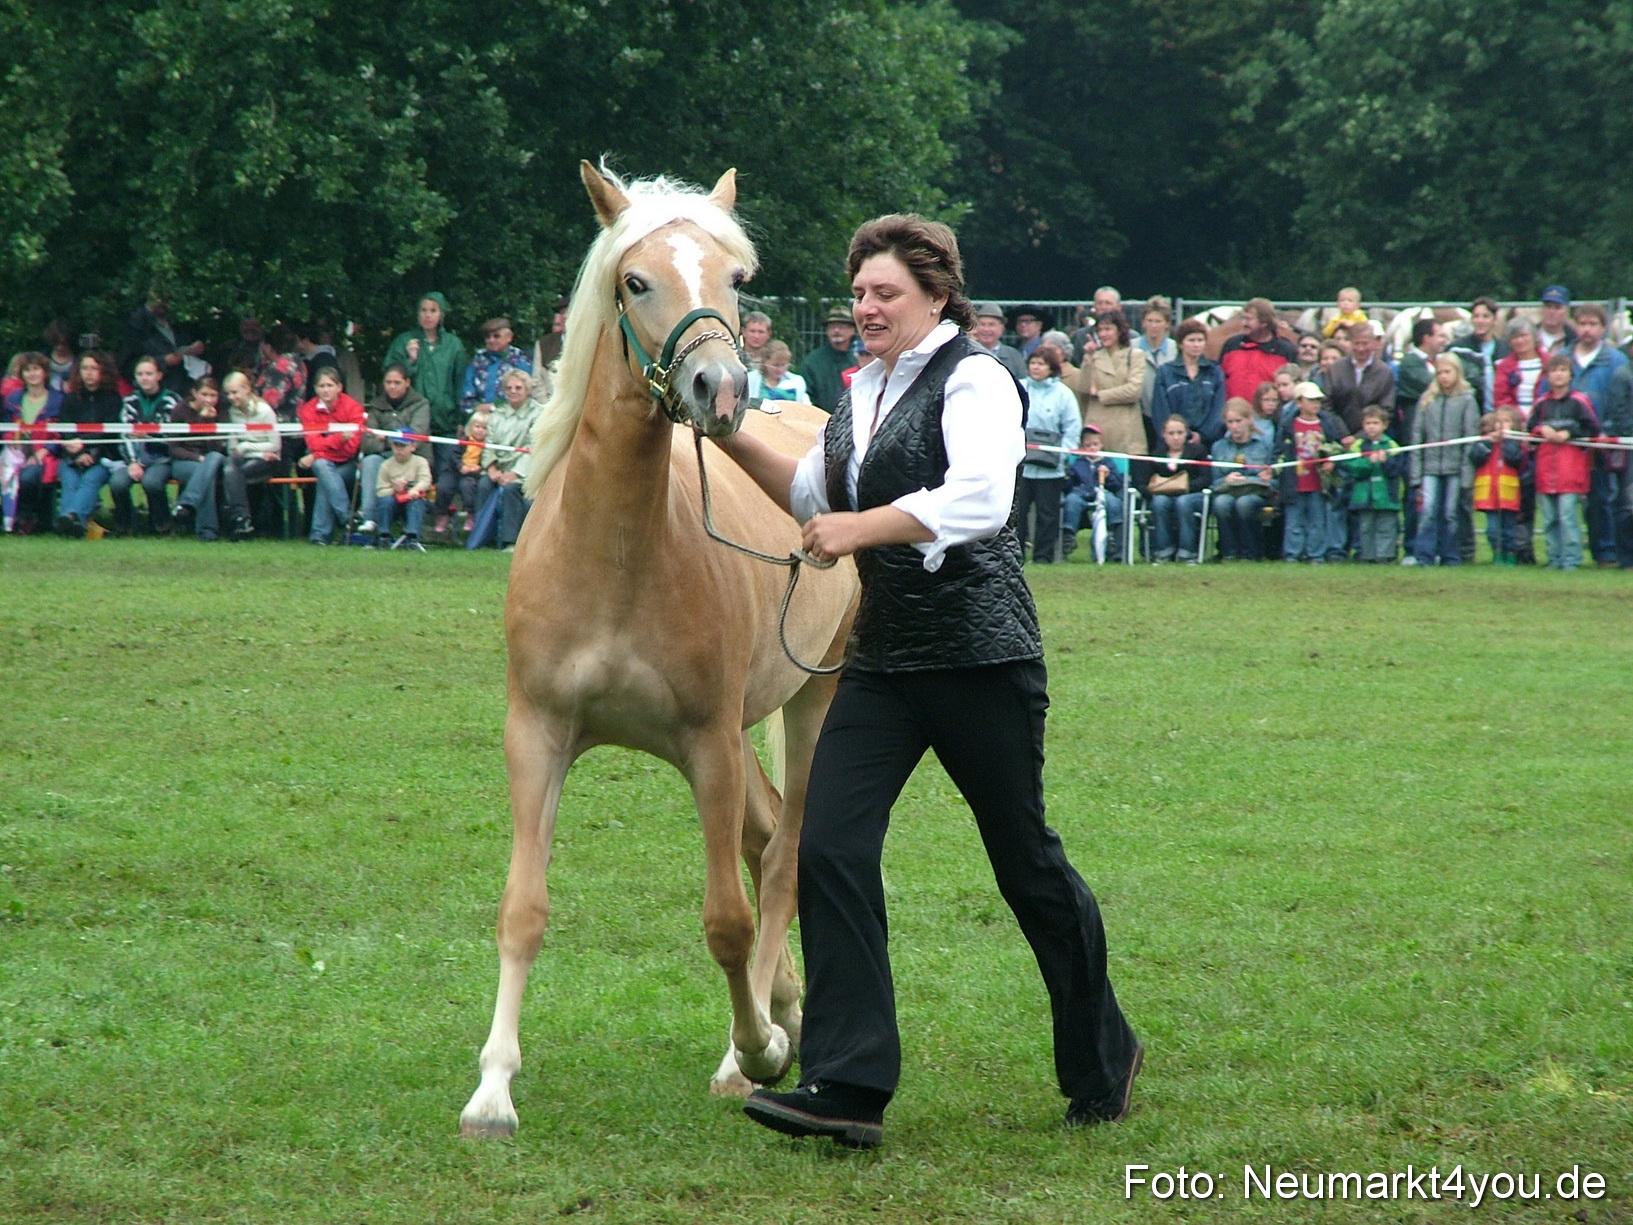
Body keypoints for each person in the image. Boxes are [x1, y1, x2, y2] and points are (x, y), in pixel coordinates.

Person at [715, 213, 1141, 1149]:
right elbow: (813, 493)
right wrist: (724, 430)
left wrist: (859, 530)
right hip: (883, 660)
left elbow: (982, 495)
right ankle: (847, 1083)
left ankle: (1103, 1055)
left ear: (937, 294)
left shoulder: (975, 376)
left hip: (980, 658)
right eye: (858, 293)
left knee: (1025, 866)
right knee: (827, 847)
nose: (865, 307)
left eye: (885, 292)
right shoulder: (863, 389)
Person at [1567, 303, 1627, 566]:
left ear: (1603, 328)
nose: (1587, 329)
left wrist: (1608, 431)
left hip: (1605, 442)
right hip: (1569, 443)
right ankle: (1567, 552)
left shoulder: (1615, 361)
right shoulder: (1563, 358)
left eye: (1593, 324)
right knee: (1567, 500)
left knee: (1605, 497)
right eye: (1582, 323)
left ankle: (1606, 551)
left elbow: (1622, 401)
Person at [1409, 354, 1480, 566]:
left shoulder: (1467, 400)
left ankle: (1451, 555)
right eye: (1439, 372)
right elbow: (1417, 437)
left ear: (1457, 373)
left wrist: (1467, 474)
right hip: (1430, 466)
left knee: (1451, 512)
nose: (1443, 377)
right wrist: (1416, 473)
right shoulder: (1427, 399)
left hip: (1456, 467)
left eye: (1447, 372)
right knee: (1428, 510)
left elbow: (1470, 438)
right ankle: (1424, 555)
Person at [1529, 354, 1597, 569]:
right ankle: (1554, 557)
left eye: (1562, 370)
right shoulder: (1541, 404)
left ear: (1570, 375)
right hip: (1546, 469)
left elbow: (1592, 428)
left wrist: (1569, 433)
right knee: (1549, 518)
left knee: (1567, 516)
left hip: (1570, 469)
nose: (1558, 375)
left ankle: (1571, 559)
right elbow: (1529, 431)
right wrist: (1541, 430)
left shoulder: (1580, 402)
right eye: (1554, 370)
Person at [382, 292, 468, 463]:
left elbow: (461, 383)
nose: (428, 315)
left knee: (446, 469)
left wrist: (461, 420)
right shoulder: (404, 341)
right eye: (423, 310)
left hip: (446, 421)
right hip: (412, 421)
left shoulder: (453, 345)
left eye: (433, 310)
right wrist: (410, 361)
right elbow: (390, 377)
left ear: (441, 314)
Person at [1015, 346, 1081, 563]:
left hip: (1051, 470)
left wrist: (1063, 455)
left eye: (1041, 364)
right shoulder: (1018, 388)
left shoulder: (1063, 394)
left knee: (1048, 515)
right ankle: (1016, 555)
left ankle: (1043, 557)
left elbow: (1072, 428)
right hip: (1022, 467)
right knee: (1017, 513)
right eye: (1033, 363)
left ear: (1051, 368)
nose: (1036, 367)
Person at [109, 355, 184, 534]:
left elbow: (174, 438)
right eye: (140, 374)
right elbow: (124, 434)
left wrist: (148, 436)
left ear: (159, 375)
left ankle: (162, 524)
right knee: (117, 483)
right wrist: (132, 462)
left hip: (163, 458)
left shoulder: (172, 400)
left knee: (152, 482)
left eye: (149, 374)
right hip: (135, 458)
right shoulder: (129, 401)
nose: (144, 378)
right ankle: (126, 524)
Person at [1275, 382, 1346, 562]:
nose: (1316, 404)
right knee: (1294, 522)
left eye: (1318, 400)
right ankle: (1293, 554)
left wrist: (1332, 462)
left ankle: (1316, 555)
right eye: (1311, 400)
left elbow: (1337, 447)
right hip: (1294, 482)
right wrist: (1276, 468)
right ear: (1298, 402)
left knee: (1318, 521)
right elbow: (1279, 451)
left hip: (1318, 483)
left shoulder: (1326, 423)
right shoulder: (1288, 425)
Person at [54, 351, 123, 537]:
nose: (89, 373)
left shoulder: (113, 399)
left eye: (94, 368)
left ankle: (70, 518)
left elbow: (109, 432)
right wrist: (77, 453)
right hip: (71, 456)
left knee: (90, 480)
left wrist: (84, 447)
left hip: (103, 457)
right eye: (85, 368)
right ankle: (73, 522)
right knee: (70, 481)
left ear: (103, 371)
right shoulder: (70, 398)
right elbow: (64, 428)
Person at [297, 368, 366, 545]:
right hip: (325, 464)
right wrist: (339, 439)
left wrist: (315, 455)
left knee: (325, 475)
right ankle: (346, 517)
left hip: (349, 464)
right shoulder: (308, 410)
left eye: (330, 385)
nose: (326, 390)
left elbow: (350, 449)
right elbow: (313, 443)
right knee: (324, 469)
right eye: (321, 386)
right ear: (315, 388)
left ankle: (320, 535)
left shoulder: (353, 407)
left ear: (339, 387)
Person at [360, 364, 432, 533]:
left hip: (413, 458)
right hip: (385, 458)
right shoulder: (376, 406)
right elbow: (367, 441)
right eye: (388, 382)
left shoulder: (421, 404)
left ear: (407, 383)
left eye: (397, 382)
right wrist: (394, 441)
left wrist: (386, 437)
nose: (392, 386)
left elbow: (415, 436)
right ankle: (369, 518)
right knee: (370, 461)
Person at [478, 369, 541, 551]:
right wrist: (491, 468)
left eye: (518, 388)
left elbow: (533, 447)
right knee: (483, 485)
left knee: (512, 489)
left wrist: (514, 473)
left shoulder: (538, 413)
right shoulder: (497, 414)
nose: (513, 391)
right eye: (509, 388)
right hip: (498, 468)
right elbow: (489, 443)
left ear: (527, 390)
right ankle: (482, 537)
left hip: (525, 470)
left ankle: (509, 541)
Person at [1072, 310, 1146, 459]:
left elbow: (1134, 390)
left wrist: (1101, 394)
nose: (1103, 334)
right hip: (1098, 430)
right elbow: (1083, 389)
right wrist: (1088, 359)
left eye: (1107, 329)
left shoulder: (1134, 355)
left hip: (1126, 431)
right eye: (1099, 330)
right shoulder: (1093, 356)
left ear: (1119, 331)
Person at [2, 352, 62, 533]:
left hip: (46, 453)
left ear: (44, 372)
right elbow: (6, 428)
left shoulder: (58, 400)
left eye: (36, 369)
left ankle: (25, 517)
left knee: (29, 476)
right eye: (27, 370)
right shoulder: (12, 399)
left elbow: (61, 433)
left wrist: (45, 450)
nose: (32, 374)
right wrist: (13, 442)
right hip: (15, 451)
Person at [1133, 415, 1206, 562]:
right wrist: (1151, 494)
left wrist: (1185, 487)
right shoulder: (1156, 454)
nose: (1176, 437)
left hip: (1192, 495)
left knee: (1183, 502)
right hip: (1163, 495)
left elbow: (1205, 478)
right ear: (1163, 435)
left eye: (1180, 433)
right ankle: (1163, 550)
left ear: (1187, 434)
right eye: (1171, 433)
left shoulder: (1198, 451)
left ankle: (1187, 551)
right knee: (1159, 502)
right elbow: (1142, 482)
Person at [1208, 399, 1275, 561]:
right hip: (1227, 490)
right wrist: (1225, 479)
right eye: (1230, 422)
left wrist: (1267, 477)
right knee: (1221, 503)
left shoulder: (1265, 445)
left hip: (1255, 492)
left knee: (1244, 504)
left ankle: (1251, 552)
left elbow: (1275, 480)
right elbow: (1213, 482)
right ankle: (1229, 552)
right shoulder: (1218, 446)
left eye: (1238, 421)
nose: (1234, 426)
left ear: (1249, 419)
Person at [1338, 406, 1405, 562]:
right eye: (1368, 423)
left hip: (1386, 496)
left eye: (1375, 423)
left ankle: (1384, 556)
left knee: (1386, 526)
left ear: (1385, 425)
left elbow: (1396, 470)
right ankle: (1367, 556)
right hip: (1364, 496)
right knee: (1366, 527)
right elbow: (1352, 467)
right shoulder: (1358, 445)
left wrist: (1386, 462)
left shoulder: (1391, 445)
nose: (1371, 427)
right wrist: (1368, 462)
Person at [166, 377, 229, 541]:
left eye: (213, 395)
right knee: (205, 475)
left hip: (213, 460)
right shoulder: (180, 410)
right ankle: (207, 531)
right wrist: (197, 457)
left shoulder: (221, 411)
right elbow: (174, 448)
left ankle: (187, 504)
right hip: (184, 462)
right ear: (194, 393)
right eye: (204, 394)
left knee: (212, 460)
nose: (209, 400)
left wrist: (208, 421)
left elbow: (218, 447)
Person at [220, 371, 279, 540]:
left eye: (235, 392)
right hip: (246, 457)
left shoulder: (264, 411)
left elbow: (275, 445)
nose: (231, 397)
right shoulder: (233, 412)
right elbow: (232, 447)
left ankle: (240, 518)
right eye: (228, 393)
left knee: (233, 475)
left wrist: (246, 447)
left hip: (267, 460)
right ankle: (243, 519)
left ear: (247, 389)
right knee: (231, 468)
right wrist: (245, 449)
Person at [1149, 318, 1225, 444]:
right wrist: (1178, 434)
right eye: (1191, 340)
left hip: (1206, 442)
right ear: (1180, 344)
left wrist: (1202, 435)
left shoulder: (1214, 372)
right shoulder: (1165, 372)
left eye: (1200, 340)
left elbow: (1218, 408)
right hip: (1173, 442)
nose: (1196, 345)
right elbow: (1160, 409)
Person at [118, 293, 206, 395]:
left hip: (182, 385)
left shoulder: (178, 323)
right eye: (159, 298)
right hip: (155, 390)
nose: (163, 303)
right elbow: (126, 362)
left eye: (167, 299)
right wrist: (163, 361)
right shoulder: (137, 324)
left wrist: (194, 349)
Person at [1060, 424, 1125, 559]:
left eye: (1095, 444)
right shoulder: (1078, 463)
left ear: (1101, 445)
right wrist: (1067, 479)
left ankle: (1113, 534)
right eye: (1088, 445)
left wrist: (1108, 476)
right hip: (1081, 492)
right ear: (1082, 447)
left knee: (1113, 502)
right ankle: (1069, 535)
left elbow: (1117, 484)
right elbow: (1069, 486)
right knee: (1071, 500)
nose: (1092, 448)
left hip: (1103, 492)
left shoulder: (1108, 462)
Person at [1469, 409, 1525, 564]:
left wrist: (1508, 440)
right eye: (1498, 422)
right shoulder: (1484, 441)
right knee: (1492, 530)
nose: (1501, 425)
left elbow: (1514, 458)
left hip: (1507, 492)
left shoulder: (1516, 443)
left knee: (1509, 529)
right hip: (1490, 493)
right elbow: (1475, 458)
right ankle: (1497, 554)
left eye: (1506, 422)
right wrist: (1488, 442)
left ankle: (1510, 555)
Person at [1219, 298, 1299, 404]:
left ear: (1264, 323)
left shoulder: (1285, 350)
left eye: (1249, 319)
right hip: (1234, 411)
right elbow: (1219, 379)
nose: (1244, 323)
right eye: (1243, 318)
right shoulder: (1232, 345)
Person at [1324, 321, 1394, 436]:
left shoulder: (1384, 372)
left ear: (1373, 343)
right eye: (1356, 343)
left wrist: (1359, 436)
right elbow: (1326, 404)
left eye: (1365, 343)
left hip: (1370, 438)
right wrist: (1342, 434)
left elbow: (1386, 409)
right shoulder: (1336, 368)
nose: (1360, 348)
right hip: (1336, 436)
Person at [372, 435, 433, 550]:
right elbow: (380, 491)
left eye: (403, 446)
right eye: (396, 446)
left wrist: (415, 490)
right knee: (385, 502)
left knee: (416, 503)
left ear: (413, 446)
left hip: (414, 499)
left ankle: (413, 537)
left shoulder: (420, 462)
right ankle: (383, 536)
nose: (399, 449)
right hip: (394, 501)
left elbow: (426, 481)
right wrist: (394, 490)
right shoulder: (386, 465)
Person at [461, 318, 533, 415]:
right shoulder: (479, 359)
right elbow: (468, 388)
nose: (491, 340)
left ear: (509, 337)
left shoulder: (520, 360)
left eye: (496, 336)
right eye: (488, 337)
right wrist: (476, 406)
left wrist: (495, 406)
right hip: (481, 415)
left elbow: (526, 391)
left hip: (511, 415)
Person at [437, 409, 489, 534]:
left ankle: (470, 514)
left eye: (484, 428)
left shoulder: (488, 445)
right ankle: (443, 514)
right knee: (443, 486)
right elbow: (454, 455)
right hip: (455, 470)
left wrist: (479, 468)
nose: (480, 430)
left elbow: (487, 459)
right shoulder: (463, 440)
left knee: (467, 486)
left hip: (473, 474)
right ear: (470, 427)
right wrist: (460, 466)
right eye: (477, 426)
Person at [1449, 297, 1508, 407]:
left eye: (1485, 316)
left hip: (1500, 410)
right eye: (1476, 316)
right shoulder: (1458, 349)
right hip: (1470, 408)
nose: (1480, 321)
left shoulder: (1506, 349)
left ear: (1495, 320)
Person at [798, 308, 858, 411]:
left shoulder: (861, 359)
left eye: (842, 326)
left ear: (852, 330)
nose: (836, 330)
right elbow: (805, 396)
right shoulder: (812, 362)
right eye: (832, 326)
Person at [1394, 317, 1446, 415]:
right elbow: (1433, 384)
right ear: (1426, 338)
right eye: (1441, 336)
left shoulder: (1444, 359)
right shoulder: (1410, 362)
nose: (1445, 340)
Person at [970, 301, 1026, 380]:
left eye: (991, 325)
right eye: (982, 324)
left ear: (1002, 329)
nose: (986, 329)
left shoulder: (1013, 356)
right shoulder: (966, 353)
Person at [1536, 286, 1576, 355]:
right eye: (1548, 306)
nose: (1552, 312)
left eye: (1557, 307)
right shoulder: (1530, 336)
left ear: (1567, 311)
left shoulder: (1574, 340)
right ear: (1541, 309)